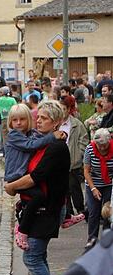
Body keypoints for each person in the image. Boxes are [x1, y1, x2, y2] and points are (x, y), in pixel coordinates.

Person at [5, 101, 70, 275]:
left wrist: (12, 187)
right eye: (38, 116)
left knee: (32, 257)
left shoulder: (56, 146)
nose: (39, 120)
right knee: (37, 256)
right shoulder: (40, 141)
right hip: (37, 209)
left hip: (47, 210)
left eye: (44, 118)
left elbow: (36, 177)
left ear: (56, 123)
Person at [4, 104, 65, 248]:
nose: (18, 123)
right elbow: (32, 145)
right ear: (10, 122)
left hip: (23, 175)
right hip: (15, 176)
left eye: (22, 119)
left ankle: (66, 216)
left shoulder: (31, 133)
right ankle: (22, 229)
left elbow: (40, 138)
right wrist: (52, 136)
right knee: (38, 196)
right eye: (15, 120)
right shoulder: (14, 135)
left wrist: (60, 134)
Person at [58, 96, 89, 229]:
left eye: (64, 109)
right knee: (63, 189)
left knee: (74, 187)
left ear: (69, 109)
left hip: (73, 160)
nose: (62, 111)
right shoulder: (56, 123)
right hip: (59, 161)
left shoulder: (76, 124)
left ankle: (81, 210)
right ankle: (68, 212)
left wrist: (79, 154)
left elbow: (84, 139)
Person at [82, 128, 113, 250]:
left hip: (109, 184)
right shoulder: (90, 149)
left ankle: (107, 238)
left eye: (104, 145)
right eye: (99, 145)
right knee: (93, 212)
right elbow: (86, 171)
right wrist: (93, 188)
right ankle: (92, 239)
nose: (101, 148)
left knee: (107, 213)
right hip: (93, 183)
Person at [0, 87, 16, 155]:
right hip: (12, 118)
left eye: (0, 92)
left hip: (3, 118)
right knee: (12, 134)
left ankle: (6, 151)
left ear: (2, 93)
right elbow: (16, 108)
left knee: (5, 136)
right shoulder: (12, 99)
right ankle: (13, 149)